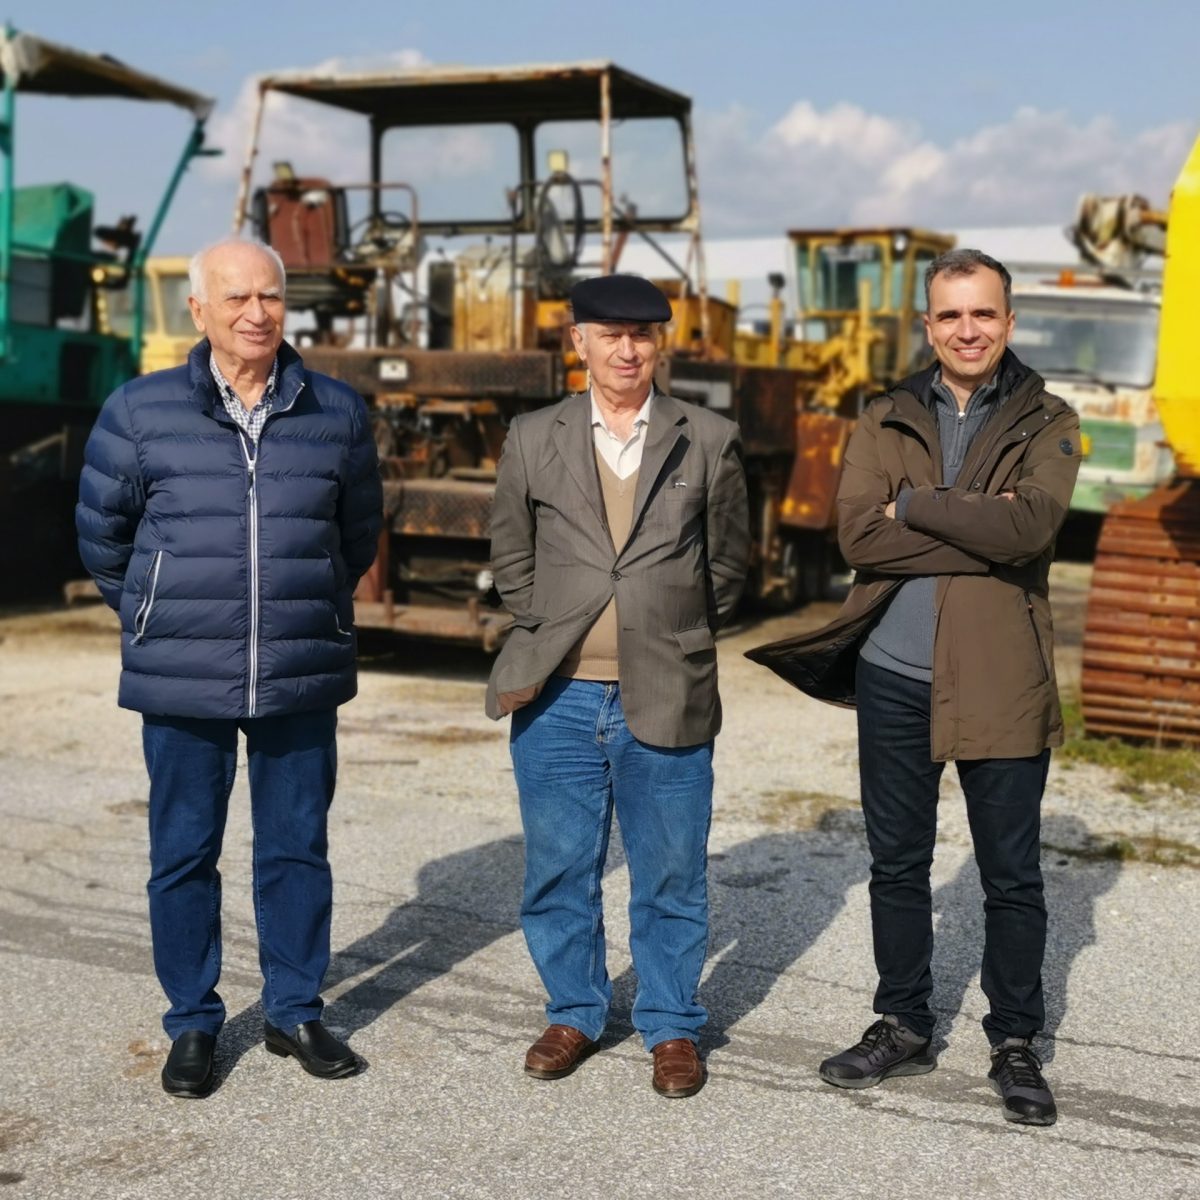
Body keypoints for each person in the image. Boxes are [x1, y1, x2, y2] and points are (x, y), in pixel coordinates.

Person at [748, 249, 1081, 1126]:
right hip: (893, 675)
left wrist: (918, 506)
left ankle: (1014, 1042)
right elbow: (859, 538)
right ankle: (902, 1023)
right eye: (950, 316)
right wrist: (978, 527)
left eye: (983, 314)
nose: (967, 330)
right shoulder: (886, 413)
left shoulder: (1049, 418)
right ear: (927, 325)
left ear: (1009, 322)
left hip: (1002, 678)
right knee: (897, 865)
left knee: (1010, 875)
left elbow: (1033, 526)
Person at [76, 237, 382, 1098]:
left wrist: (313, 603)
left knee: (296, 849)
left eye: (271, 298)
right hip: (183, 674)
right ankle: (193, 1024)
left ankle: (294, 1010)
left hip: (298, 667)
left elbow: (355, 532)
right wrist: (154, 611)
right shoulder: (139, 410)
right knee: (182, 853)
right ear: (199, 311)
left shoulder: (336, 410)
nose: (257, 314)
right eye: (237, 298)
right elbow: (104, 538)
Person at [485, 274, 749, 1097]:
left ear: (660, 343)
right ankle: (574, 1011)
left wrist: (670, 630)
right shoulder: (533, 436)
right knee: (560, 868)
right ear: (579, 342)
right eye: (610, 334)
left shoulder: (708, 437)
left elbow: (730, 566)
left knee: (671, 870)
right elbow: (510, 557)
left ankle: (671, 1025)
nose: (627, 349)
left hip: (665, 690)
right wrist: (555, 620)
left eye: (642, 335)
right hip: (558, 697)